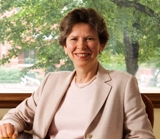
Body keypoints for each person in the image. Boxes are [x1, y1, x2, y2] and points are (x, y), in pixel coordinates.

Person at [0, 7, 156, 139]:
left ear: (102, 44)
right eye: (73, 39)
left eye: (89, 38)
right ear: (65, 46)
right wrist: (8, 126)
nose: (81, 46)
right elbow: (17, 116)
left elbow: (142, 136)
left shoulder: (123, 84)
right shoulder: (51, 81)